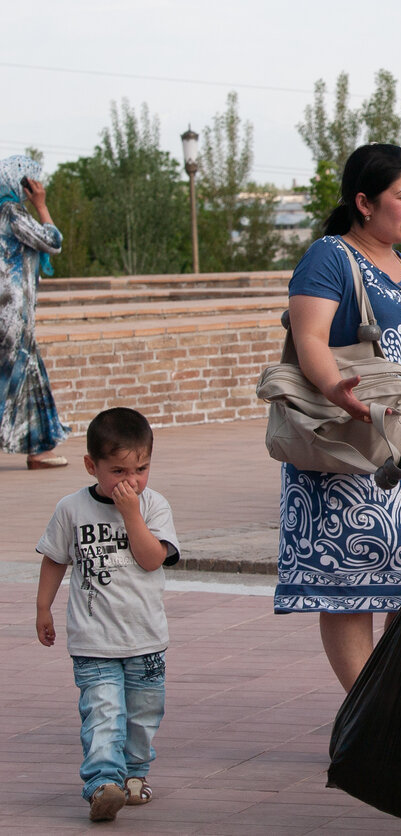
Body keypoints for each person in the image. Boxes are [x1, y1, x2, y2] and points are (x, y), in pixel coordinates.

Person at [274, 144, 401, 692]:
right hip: (343, 446)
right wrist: (337, 386)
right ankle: (367, 712)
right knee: (348, 590)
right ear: (363, 202)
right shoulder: (330, 256)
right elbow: (308, 337)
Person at [35, 407, 180, 822]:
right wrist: (43, 607)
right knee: (102, 712)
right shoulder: (71, 509)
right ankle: (102, 784)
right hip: (93, 640)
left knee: (143, 714)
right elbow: (54, 559)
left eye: (141, 468)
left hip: (146, 639)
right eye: (118, 470)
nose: (131, 481)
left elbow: (153, 559)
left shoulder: (153, 507)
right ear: (90, 466)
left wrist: (132, 515)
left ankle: (134, 776)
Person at [0, 155, 70, 468]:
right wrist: (41, 206)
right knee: (17, 376)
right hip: (11, 313)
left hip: (11, 312)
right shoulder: (12, 213)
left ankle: (40, 449)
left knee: (28, 376)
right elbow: (52, 241)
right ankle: (39, 449)